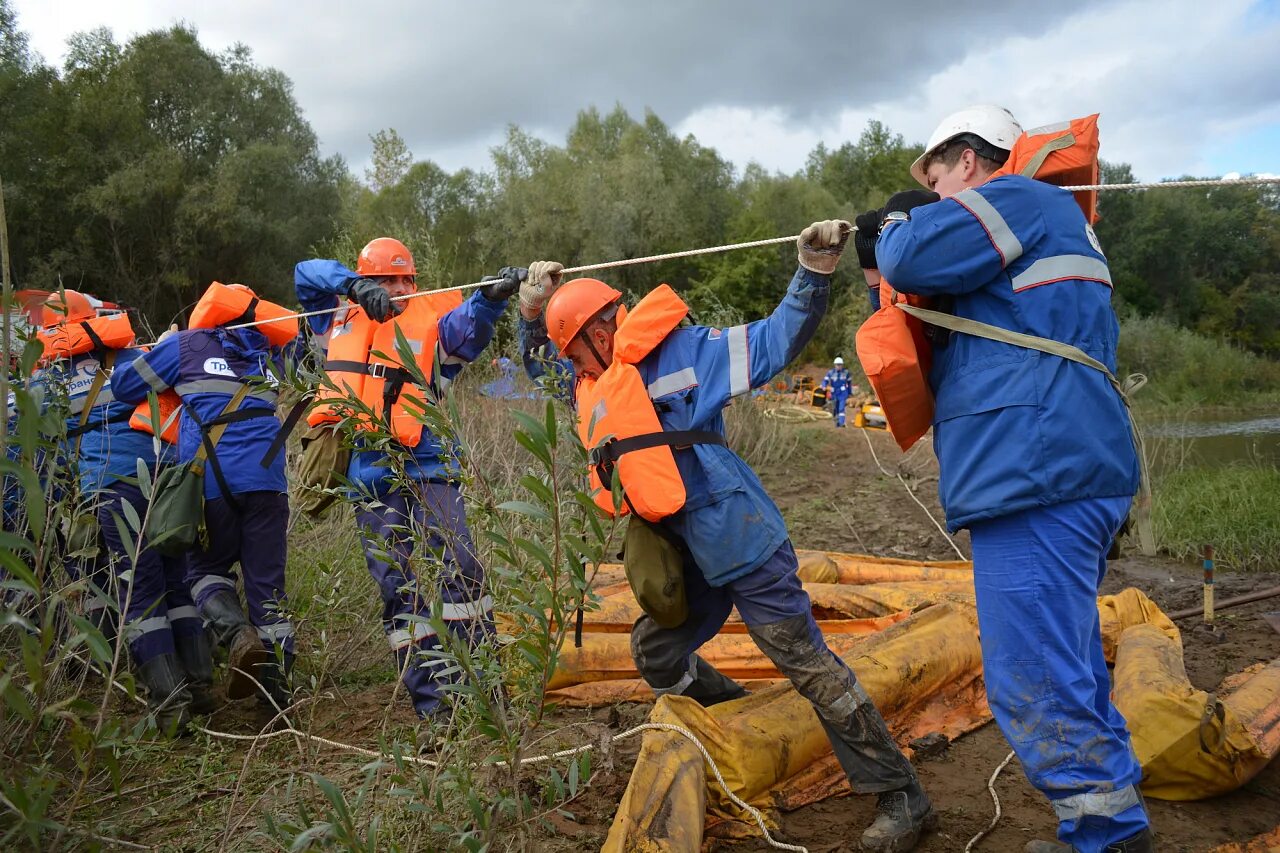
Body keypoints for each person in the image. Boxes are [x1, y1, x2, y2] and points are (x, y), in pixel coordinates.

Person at [516, 224, 936, 852]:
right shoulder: (592, 383)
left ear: (599, 336)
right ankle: (737, 716)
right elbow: (542, 373)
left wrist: (814, 272)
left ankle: (902, 795)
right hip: (685, 553)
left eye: (573, 353)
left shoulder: (687, 353)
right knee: (656, 651)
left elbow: (773, 341)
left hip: (742, 539)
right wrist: (531, 313)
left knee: (805, 662)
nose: (571, 368)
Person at [858, 105, 1151, 853]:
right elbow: (927, 307)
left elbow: (911, 257)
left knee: (1035, 674)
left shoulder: (1018, 196)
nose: (931, 191)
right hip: (1060, 464)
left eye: (932, 178)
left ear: (966, 160)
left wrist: (893, 226)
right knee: (1068, 658)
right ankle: (1103, 820)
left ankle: (1108, 836)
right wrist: (881, 258)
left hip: (1037, 470)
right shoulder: (1040, 224)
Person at [294, 237, 522, 722]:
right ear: (366, 282)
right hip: (368, 469)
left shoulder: (435, 322)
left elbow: (471, 329)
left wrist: (491, 298)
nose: (399, 289)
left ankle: (482, 692)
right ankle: (434, 710)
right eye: (386, 280)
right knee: (397, 587)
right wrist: (352, 287)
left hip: (428, 461)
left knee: (460, 566)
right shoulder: (333, 319)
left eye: (405, 280)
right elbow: (305, 271)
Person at [35, 290, 214, 733]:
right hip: (164, 476)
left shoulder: (45, 382)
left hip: (111, 485)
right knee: (177, 581)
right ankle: (202, 686)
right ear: (96, 318)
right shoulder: (135, 356)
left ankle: (170, 706)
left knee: (140, 592)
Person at [113, 282, 298, 709]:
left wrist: (156, 348)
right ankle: (277, 699)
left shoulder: (185, 345)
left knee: (201, 572)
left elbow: (125, 386)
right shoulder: (269, 355)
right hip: (268, 484)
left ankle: (235, 635)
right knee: (268, 588)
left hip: (210, 483)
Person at [821, 356, 855, 427]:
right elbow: (825, 380)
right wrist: (824, 385)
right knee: (835, 408)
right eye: (837, 365)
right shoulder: (831, 372)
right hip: (834, 393)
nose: (839, 366)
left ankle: (841, 423)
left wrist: (849, 392)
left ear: (842, 365)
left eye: (840, 365)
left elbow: (849, 383)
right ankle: (836, 423)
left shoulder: (846, 373)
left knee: (841, 408)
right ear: (835, 365)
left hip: (843, 393)